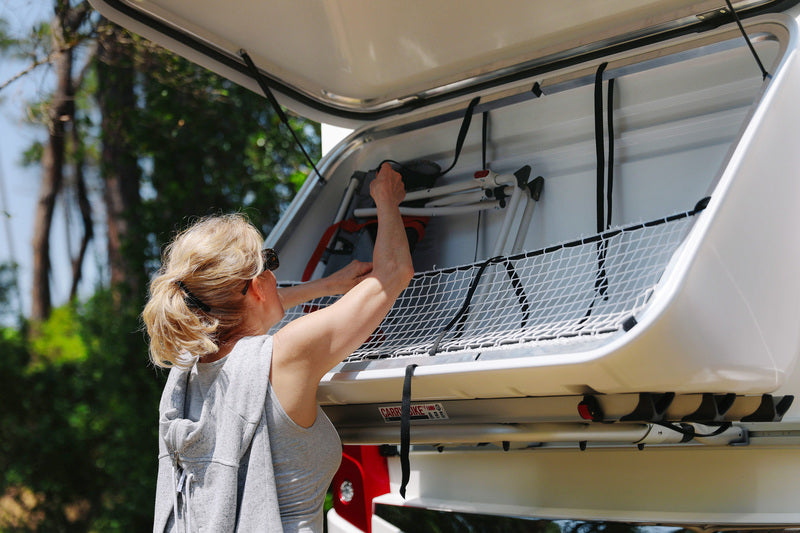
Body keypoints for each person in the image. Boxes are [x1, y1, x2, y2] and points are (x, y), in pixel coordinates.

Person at [143, 162, 414, 533]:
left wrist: (325, 286)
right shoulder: (283, 356)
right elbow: (394, 272)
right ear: (256, 285)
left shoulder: (189, 368)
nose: (276, 272)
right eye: (270, 262)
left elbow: (241, 310)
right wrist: (386, 199)